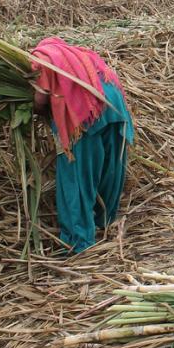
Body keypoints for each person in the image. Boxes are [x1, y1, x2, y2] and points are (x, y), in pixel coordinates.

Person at [30, 37, 134, 254]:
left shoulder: (42, 57)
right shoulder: (82, 53)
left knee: (77, 177)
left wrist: (35, 106)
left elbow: (40, 99)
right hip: (115, 108)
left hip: (84, 115)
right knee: (110, 168)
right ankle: (104, 221)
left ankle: (79, 241)